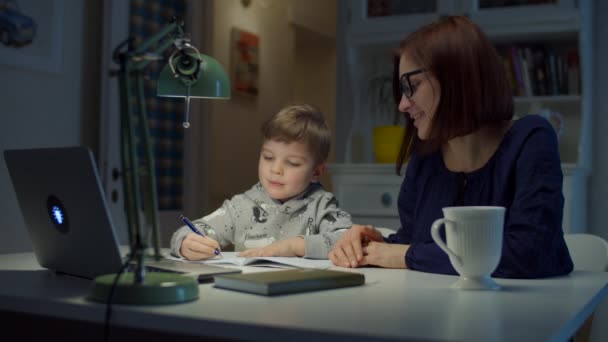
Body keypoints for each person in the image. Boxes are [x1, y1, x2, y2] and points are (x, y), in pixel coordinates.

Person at [329, 16, 573, 278]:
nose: (402, 105)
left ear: (457, 77)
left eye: (412, 86)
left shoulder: (531, 139)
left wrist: (402, 254)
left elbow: (529, 254)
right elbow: (416, 246)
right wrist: (373, 243)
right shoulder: (425, 157)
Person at [171, 104, 353, 260]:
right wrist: (185, 243)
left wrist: (293, 246)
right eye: (268, 157)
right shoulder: (240, 207)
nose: (276, 169)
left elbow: (348, 240)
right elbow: (190, 231)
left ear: (316, 172)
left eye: (292, 163)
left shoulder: (321, 206)